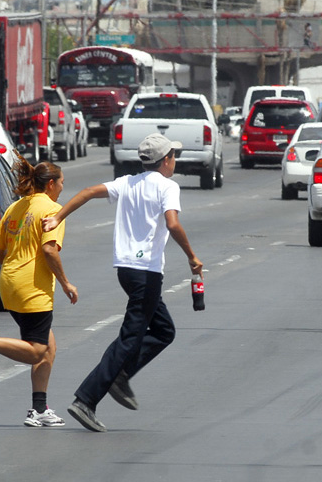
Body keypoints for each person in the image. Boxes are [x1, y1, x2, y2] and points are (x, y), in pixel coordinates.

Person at [42, 133, 203, 433]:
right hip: (146, 274)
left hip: (126, 271)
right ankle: (86, 399)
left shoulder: (128, 182)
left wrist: (58, 217)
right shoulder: (168, 186)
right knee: (130, 337)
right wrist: (192, 257)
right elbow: (172, 223)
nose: (175, 162)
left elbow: (88, 192)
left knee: (164, 330)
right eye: (174, 156)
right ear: (165, 160)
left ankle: (121, 375)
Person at [0, 159, 79, 428]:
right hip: (32, 289)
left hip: (8, 284)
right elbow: (49, 249)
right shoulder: (53, 211)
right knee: (37, 351)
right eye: (61, 183)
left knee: (49, 346)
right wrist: (66, 283)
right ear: (50, 184)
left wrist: (16, 266)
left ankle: (39, 410)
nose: (62, 188)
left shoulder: (17, 207)